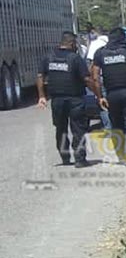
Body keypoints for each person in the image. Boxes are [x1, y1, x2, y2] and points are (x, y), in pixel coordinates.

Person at [36, 32, 93, 167]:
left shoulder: (48, 57)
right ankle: (79, 159)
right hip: (75, 100)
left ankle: (65, 157)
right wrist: (97, 92)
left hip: (57, 100)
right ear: (72, 44)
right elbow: (86, 79)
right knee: (78, 129)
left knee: (60, 129)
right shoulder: (76, 58)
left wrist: (42, 96)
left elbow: (40, 77)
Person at [91, 27, 126, 167]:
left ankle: (121, 156)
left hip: (112, 95)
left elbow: (95, 77)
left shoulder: (100, 53)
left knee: (117, 126)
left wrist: (99, 96)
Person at [84, 26, 112, 130]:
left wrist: (91, 82)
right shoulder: (112, 42)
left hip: (100, 78)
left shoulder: (94, 44)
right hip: (114, 78)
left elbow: (90, 65)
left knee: (103, 103)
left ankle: (109, 127)